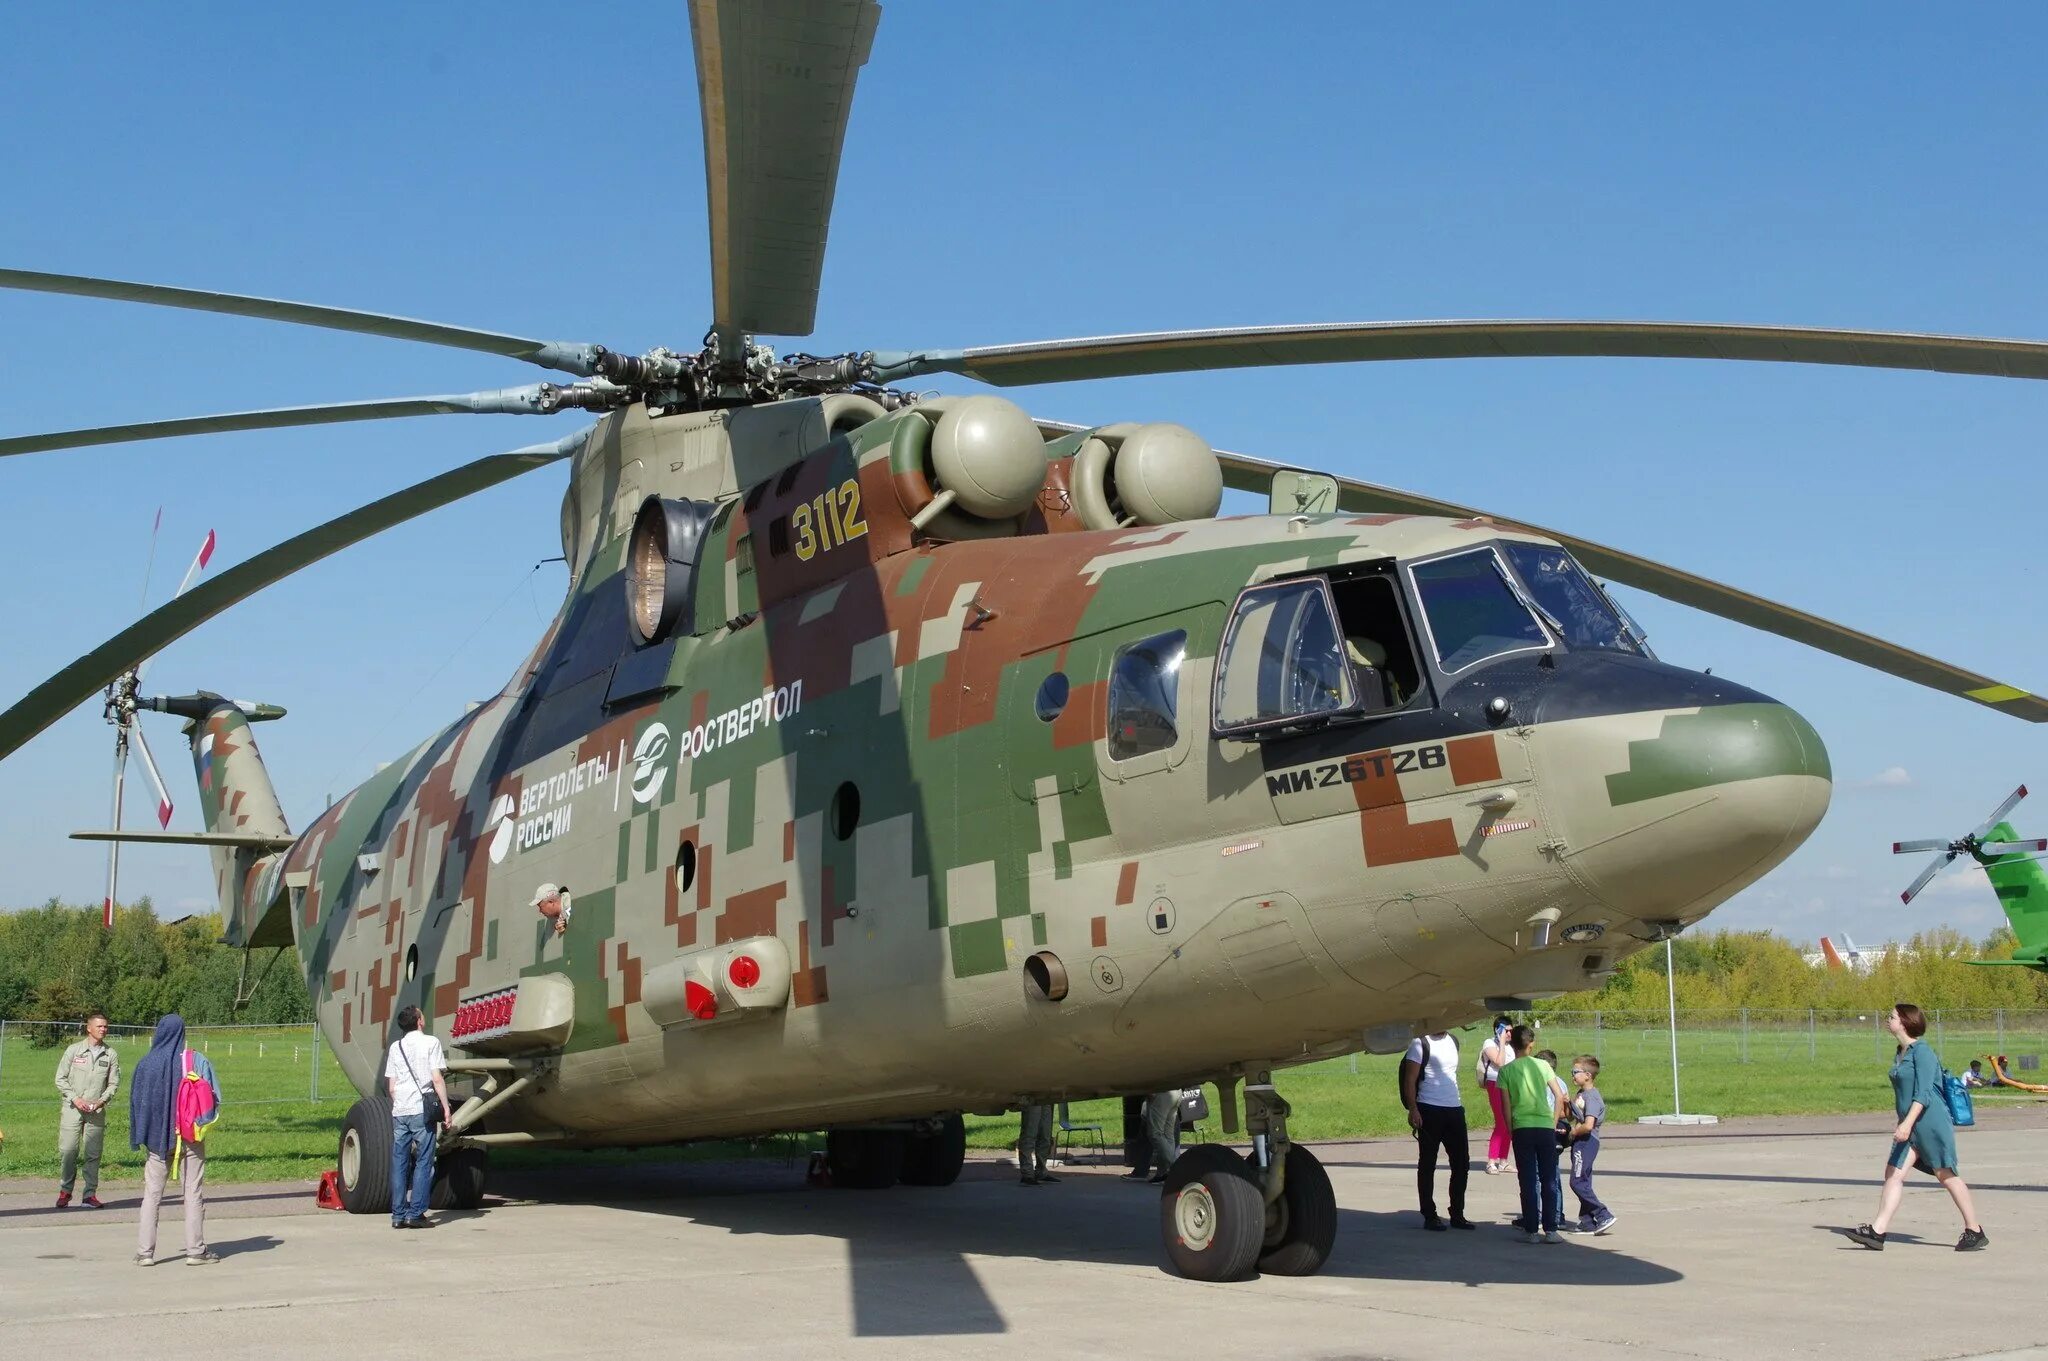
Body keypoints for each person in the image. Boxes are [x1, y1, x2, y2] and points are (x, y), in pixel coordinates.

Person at [1848, 1003, 1987, 1252]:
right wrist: (1904, 1123)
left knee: (1946, 1175)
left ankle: (1974, 1230)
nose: (1887, 1020)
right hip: (1909, 1123)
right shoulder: (1901, 1051)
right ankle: (1877, 1232)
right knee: (1893, 1173)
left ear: (1904, 1022)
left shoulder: (1922, 1052)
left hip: (1929, 1123)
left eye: (1891, 1017)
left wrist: (1907, 1124)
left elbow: (1923, 1094)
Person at [130, 1014, 220, 1266]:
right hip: (190, 1137)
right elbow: (214, 1097)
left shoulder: (145, 1063)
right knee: (192, 1192)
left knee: (152, 1195)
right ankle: (195, 1251)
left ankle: (145, 1253)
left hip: (157, 1140)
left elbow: (136, 1104)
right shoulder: (195, 1060)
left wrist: (143, 1134)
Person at [385, 1003, 452, 1229]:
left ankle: (397, 1215)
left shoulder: (396, 1047)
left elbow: (391, 1086)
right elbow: (436, 1079)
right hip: (421, 1111)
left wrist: (400, 1104)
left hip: (400, 1110)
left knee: (399, 1162)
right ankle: (416, 1214)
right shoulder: (431, 1042)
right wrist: (446, 1108)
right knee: (424, 1162)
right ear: (419, 1021)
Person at [1498, 1024, 1566, 1244]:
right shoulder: (1543, 1066)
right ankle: (1552, 1228)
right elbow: (1558, 1095)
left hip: (1522, 1126)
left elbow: (1505, 1106)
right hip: (1545, 1125)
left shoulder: (1506, 1071)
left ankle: (1531, 1229)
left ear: (1511, 1043)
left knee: (1527, 1180)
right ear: (1531, 1044)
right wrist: (1553, 1120)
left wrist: (1510, 1128)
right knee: (1549, 1178)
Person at [1401, 1029, 1473, 1230]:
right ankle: (1429, 1215)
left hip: (1454, 1108)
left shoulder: (1453, 1041)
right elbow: (1410, 1079)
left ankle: (1457, 1213)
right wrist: (1413, 1108)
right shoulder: (1419, 1043)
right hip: (1428, 1108)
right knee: (1427, 1164)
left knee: (1461, 1164)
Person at [54, 1011, 119, 1209]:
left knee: (93, 1154)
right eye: (99, 1026)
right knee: (68, 1151)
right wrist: (76, 1098)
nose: (103, 1029)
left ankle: (89, 1194)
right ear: (88, 1028)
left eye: (105, 1026)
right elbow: (60, 1079)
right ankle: (65, 1191)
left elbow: (114, 1083)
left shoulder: (110, 1054)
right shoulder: (74, 1050)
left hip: (96, 1111)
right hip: (73, 1108)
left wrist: (102, 1101)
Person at [1563, 1055, 1616, 1234]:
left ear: (1587, 1075)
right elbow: (1572, 1117)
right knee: (1584, 1181)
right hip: (1581, 1142)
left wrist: (1573, 1133)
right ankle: (1587, 1221)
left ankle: (1603, 1214)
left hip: (1586, 1142)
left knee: (1577, 1182)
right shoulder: (1581, 1094)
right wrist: (1567, 1104)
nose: (1572, 1075)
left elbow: (1588, 1125)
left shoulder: (1592, 1097)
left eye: (1575, 1072)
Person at [1535, 1047, 1572, 1224]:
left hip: (1542, 1128)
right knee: (1553, 1174)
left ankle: (1537, 1215)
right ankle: (1558, 1215)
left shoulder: (1537, 1082)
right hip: (1557, 1131)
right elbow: (1566, 1112)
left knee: (1536, 1175)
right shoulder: (1561, 1083)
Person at [1476, 1017, 1513, 1174]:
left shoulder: (1512, 1046)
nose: (1510, 1033)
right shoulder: (1489, 1044)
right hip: (1496, 1083)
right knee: (1501, 1122)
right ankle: (1492, 1161)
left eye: (1511, 1030)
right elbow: (1500, 1062)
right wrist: (1502, 1042)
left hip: (1511, 1085)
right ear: (1499, 1030)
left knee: (1510, 1123)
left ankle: (1503, 1160)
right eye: (1507, 1030)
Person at [1016, 1103, 1056, 1185]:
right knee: (1029, 1133)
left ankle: (1041, 1172)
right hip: (1032, 1097)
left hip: (1047, 1097)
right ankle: (1027, 1175)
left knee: (1045, 1136)